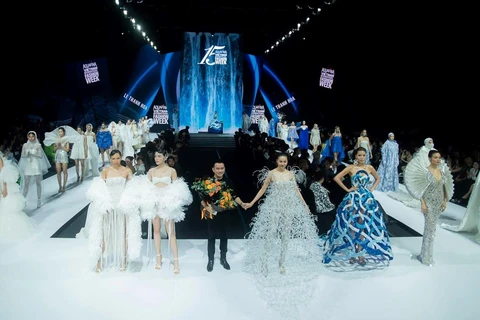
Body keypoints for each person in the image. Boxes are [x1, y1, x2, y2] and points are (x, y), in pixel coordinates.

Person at [243, 153, 321, 276]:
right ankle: (264, 262)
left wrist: (305, 205)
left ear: (287, 162)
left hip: (288, 206)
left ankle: (281, 262)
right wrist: (252, 202)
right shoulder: (272, 173)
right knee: (271, 233)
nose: (283, 163)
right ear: (276, 161)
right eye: (280, 161)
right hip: (275, 206)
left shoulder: (290, 174)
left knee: (285, 235)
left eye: (284, 161)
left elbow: (296, 190)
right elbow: (263, 189)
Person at [323, 147, 393, 268]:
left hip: (366, 199)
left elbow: (378, 178)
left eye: (363, 155)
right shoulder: (351, 168)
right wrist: (348, 189)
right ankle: (353, 252)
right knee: (353, 225)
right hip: (354, 198)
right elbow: (336, 178)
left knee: (363, 224)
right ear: (355, 156)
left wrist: (371, 189)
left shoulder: (369, 168)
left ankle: (360, 252)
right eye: (359, 155)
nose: (361, 157)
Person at [85, 150, 142, 272]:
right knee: (105, 235)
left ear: (121, 158)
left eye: (118, 158)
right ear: (110, 159)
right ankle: (99, 261)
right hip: (109, 206)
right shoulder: (105, 171)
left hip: (122, 206)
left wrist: (129, 202)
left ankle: (123, 260)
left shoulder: (127, 171)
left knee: (124, 234)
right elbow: (101, 189)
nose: (116, 161)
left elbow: (132, 188)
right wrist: (103, 203)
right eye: (113, 158)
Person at [144, 150, 192, 274]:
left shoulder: (171, 171)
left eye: (159, 156)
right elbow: (147, 189)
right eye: (155, 156)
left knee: (171, 232)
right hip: (155, 202)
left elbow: (177, 189)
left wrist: (171, 201)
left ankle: (176, 260)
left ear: (165, 157)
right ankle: (158, 257)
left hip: (167, 203)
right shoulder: (151, 171)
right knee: (156, 230)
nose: (156, 158)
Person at [405, 149, 454, 266]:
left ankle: (425, 254)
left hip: (438, 202)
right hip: (428, 202)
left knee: (431, 228)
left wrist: (445, 201)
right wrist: (422, 203)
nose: (438, 160)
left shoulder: (442, 172)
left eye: (439, 158)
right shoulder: (425, 172)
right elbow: (421, 189)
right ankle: (426, 256)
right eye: (435, 157)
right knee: (430, 228)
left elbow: (444, 187)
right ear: (430, 159)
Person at [200, 160, 247, 272]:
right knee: (211, 236)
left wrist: (242, 203)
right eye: (218, 168)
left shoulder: (228, 182)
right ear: (213, 169)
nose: (220, 170)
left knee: (224, 236)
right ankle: (210, 259)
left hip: (225, 213)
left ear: (224, 169)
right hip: (211, 212)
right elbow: (202, 198)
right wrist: (207, 208)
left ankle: (223, 258)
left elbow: (234, 195)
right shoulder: (207, 182)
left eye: (222, 168)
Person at [0, 156, 36, 241]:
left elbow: (3, 172)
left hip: (3, 184)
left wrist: (5, 188)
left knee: (7, 206)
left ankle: (11, 230)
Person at [18, 131, 50, 208]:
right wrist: (26, 153)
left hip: (36, 165)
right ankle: (23, 200)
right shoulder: (25, 145)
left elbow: (40, 156)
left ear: (35, 137)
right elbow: (22, 155)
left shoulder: (38, 145)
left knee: (38, 183)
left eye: (32, 136)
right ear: (27, 137)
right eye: (30, 136)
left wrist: (32, 153)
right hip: (28, 165)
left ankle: (39, 199)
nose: (31, 138)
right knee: (26, 184)